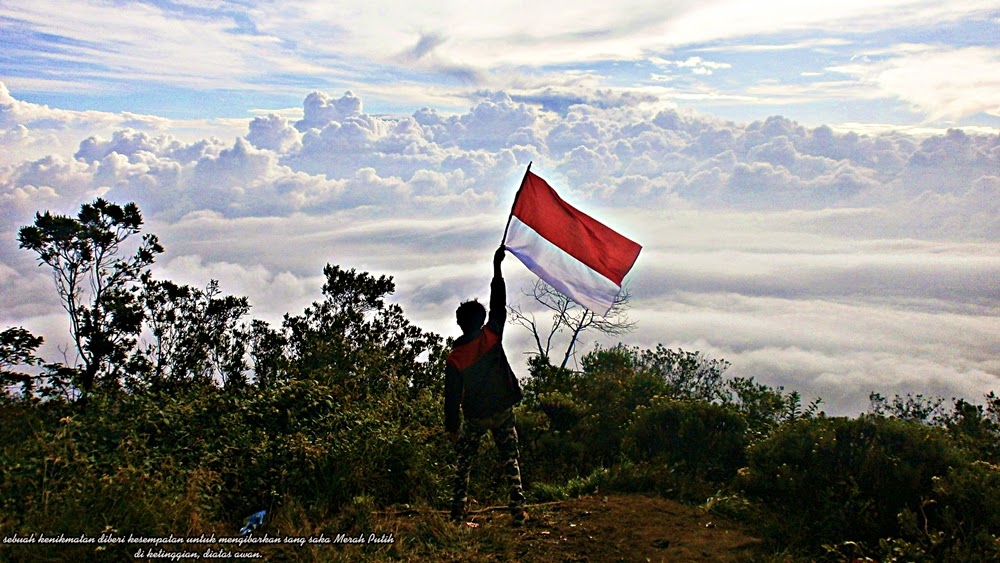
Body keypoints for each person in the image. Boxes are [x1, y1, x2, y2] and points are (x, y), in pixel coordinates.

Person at [444, 244, 528, 526]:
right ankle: (518, 510)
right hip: (502, 409)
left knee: (463, 464)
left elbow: (451, 398)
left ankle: (457, 513)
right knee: (510, 459)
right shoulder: (491, 336)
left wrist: (452, 427)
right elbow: (499, 305)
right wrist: (497, 268)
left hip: (476, 416)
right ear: (481, 321)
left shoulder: (455, 358)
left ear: (459, 324)